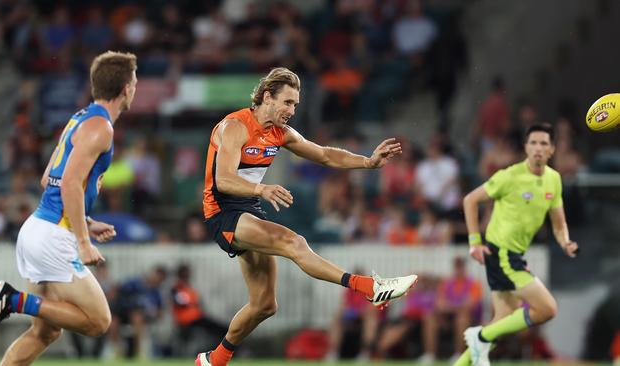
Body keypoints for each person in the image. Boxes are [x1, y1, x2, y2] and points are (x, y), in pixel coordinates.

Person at [196, 67, 418, 366]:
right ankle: (369, 287)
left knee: (264, 305)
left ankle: (212, 361)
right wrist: (262, 189)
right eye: (287, 102)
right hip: (223, 212)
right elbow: (223, 180)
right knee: (294, 242)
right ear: (266, 97)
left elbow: (325, 154)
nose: (291, 110)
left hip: (248, 210)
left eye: (295, 104)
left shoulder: (280, 133)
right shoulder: (236, 126)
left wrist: (367, 162)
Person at [0, 51, 138, 366]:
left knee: (45, 333)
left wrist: (85, 221)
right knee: (98, 321)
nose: (135, 87)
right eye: (134, 82)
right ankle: (13, 300)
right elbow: (68, 184)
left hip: (38, 228)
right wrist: (83, 241)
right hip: (53, 238)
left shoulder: (80, 118)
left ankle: (16, 303)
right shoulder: (101, 128)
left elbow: (47, 178)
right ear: (125, 89)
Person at [455, 123, 579, 366]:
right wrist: (474, 242)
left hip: (514, 255)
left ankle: (466, 356)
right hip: (501, 253)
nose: (538, 148)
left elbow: (558, 222)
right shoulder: (510, 176)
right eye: (533, 142)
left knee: (501, 321)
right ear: (525, 147)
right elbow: (470, 200)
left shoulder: (553, 180)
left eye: (544, 143)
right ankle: (479, 336)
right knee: (547, 308)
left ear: (552, 149)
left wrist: (565, 242)